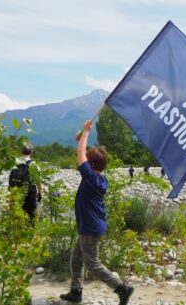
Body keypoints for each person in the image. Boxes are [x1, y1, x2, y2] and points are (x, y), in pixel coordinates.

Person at [60, 120, 134, 305]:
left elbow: (80, 155)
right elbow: (84, 154)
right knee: (77, 259)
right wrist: (81, 140)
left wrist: (86, 131)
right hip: (90, 225)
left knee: (92, 264)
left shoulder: (92, 178)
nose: (83, 160)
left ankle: (122, 288)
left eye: (87, 159)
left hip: (90, 228)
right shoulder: (97, 177)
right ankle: (76, 291)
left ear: (91, 164)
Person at [8, 144, 42, 224]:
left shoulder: (15, 164)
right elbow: (38, 181)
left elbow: (11, 181)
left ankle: (17, 234)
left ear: (21, 152)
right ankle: (30, 233)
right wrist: (40, 193)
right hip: (30, 194)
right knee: (30, 218)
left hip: (17, 194)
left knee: (17, 218)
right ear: (31, 152)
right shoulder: (34, 165)